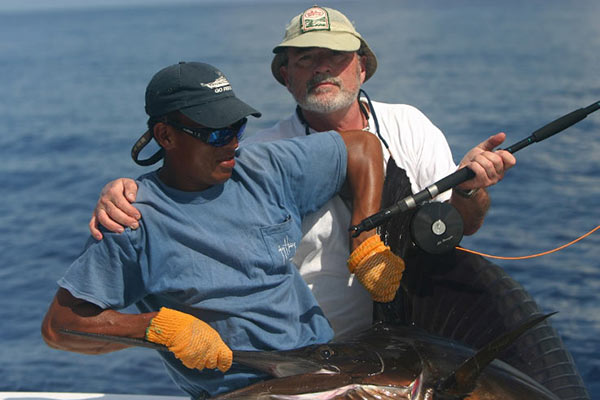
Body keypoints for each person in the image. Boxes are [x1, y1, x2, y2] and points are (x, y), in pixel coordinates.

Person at [87, 6, 589, 399]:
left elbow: (462, 227)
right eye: (304, 58)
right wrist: (129, 190)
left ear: (362, 68)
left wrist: (470, 190)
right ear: (285, 76)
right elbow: (184, 187)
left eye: (336, 56)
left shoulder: (410, 125)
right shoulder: (255, 154)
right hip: (320, 358)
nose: (321, 67)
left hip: (410, 348)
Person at [41, 61, 403, 399]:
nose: (232, 143)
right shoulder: (133, 221)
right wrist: (153, 327)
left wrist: (365, 237)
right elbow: (59, 327)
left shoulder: (262, 167)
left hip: (328, 370)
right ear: (165, 136)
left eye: (236, 127)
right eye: (215, 133)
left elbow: (361, 147)